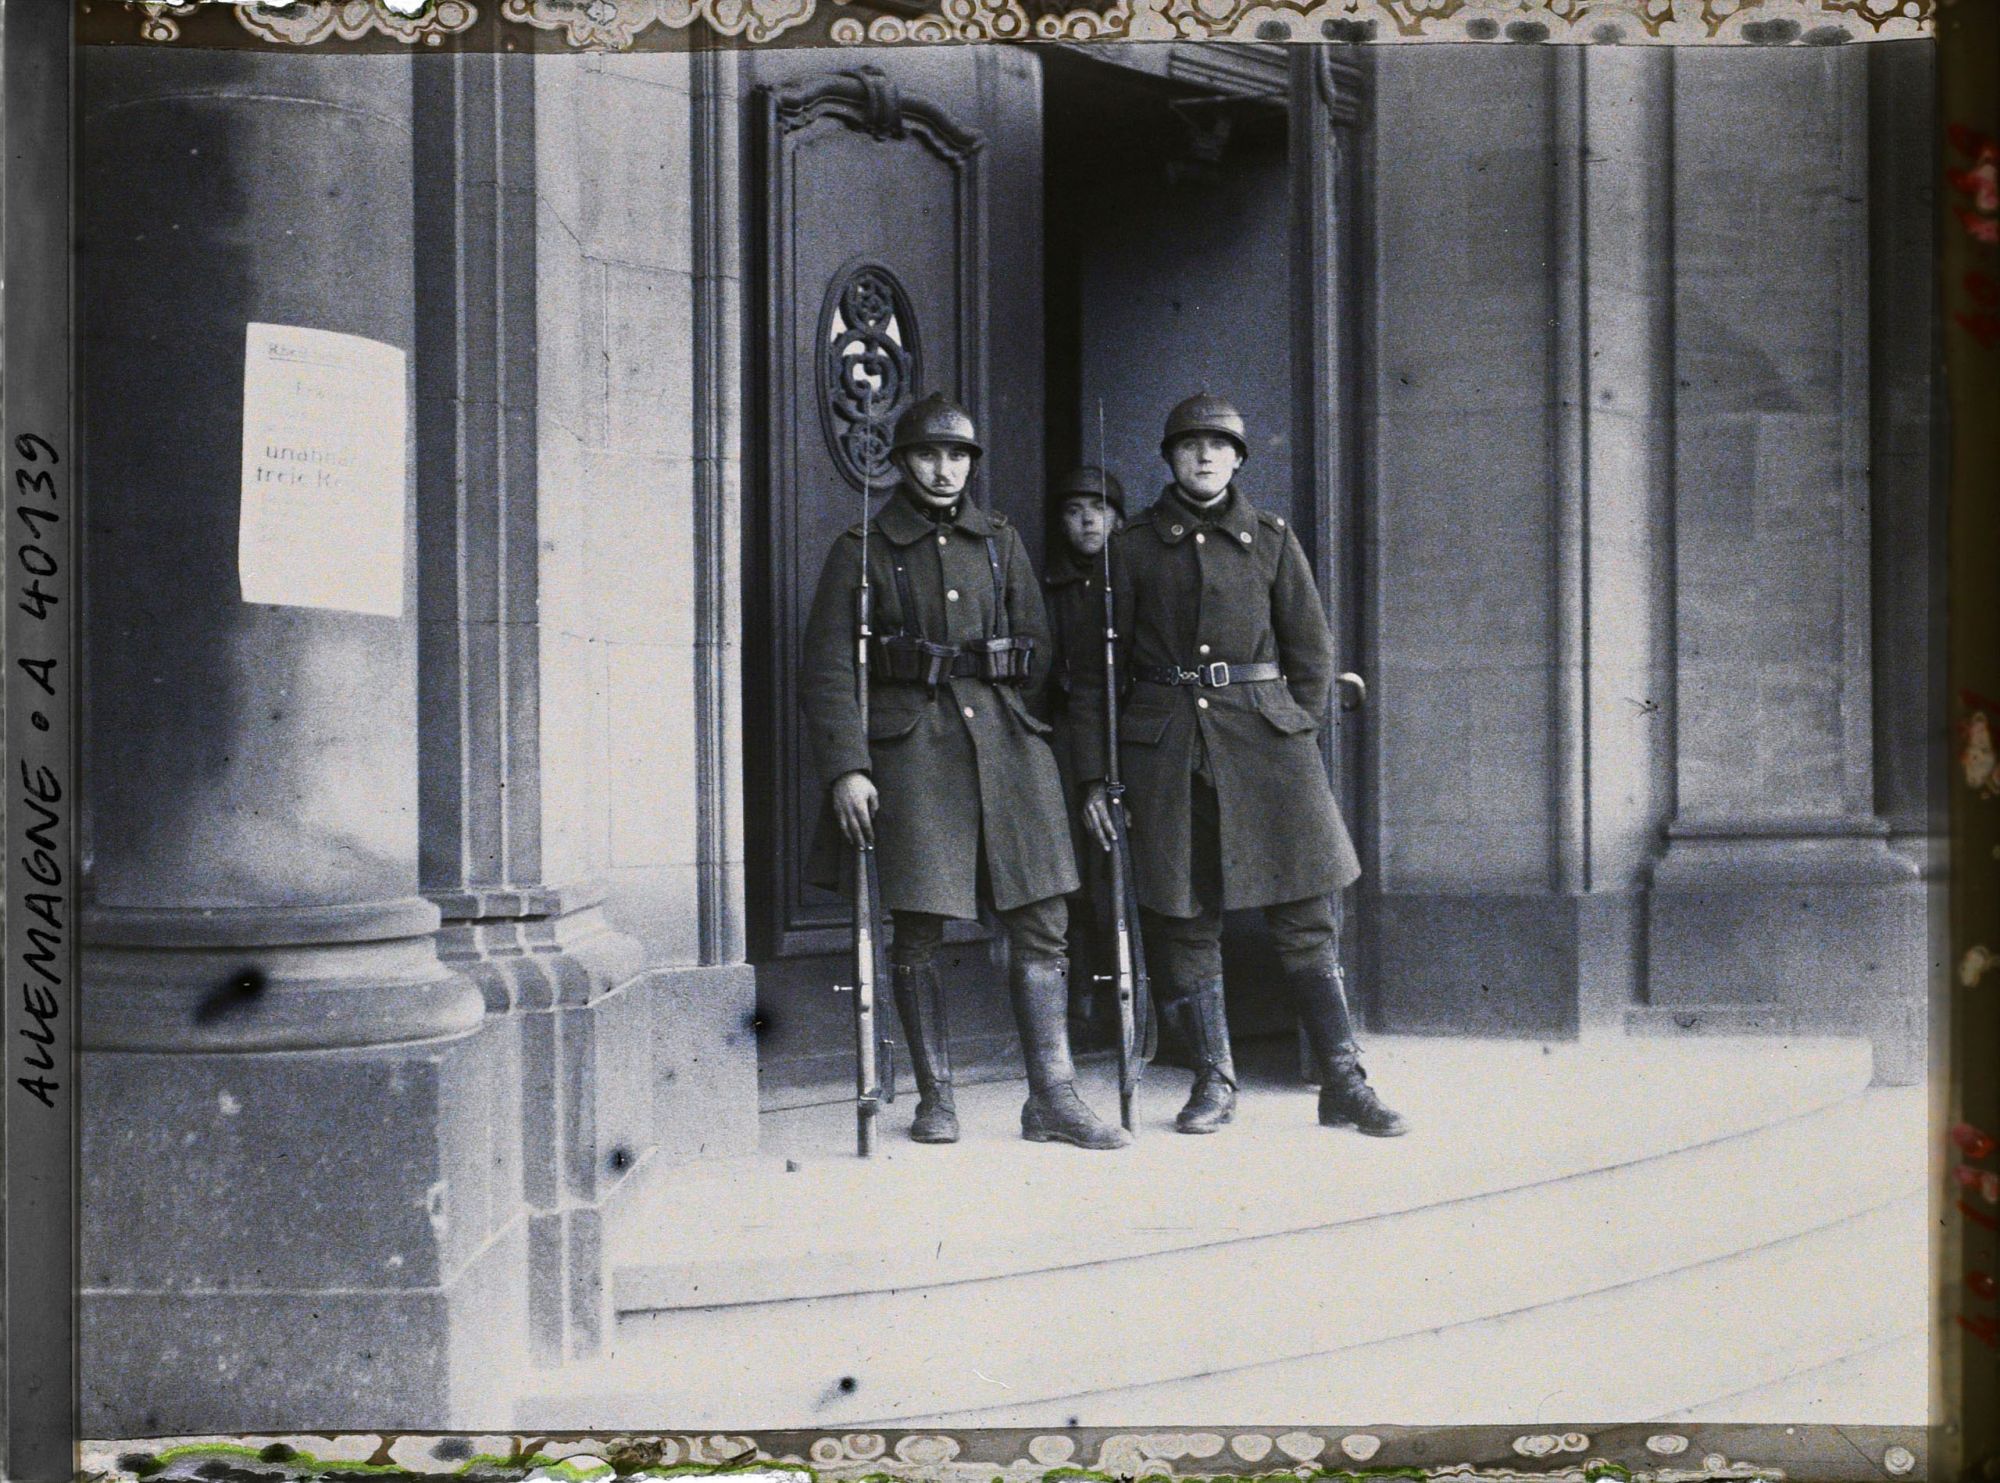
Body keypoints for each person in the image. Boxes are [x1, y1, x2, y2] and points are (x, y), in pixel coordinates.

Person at [801, 392, 1130, 1151]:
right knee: (918, 926)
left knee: (1044, 919)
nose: (944, 469)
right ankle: (935, 1097)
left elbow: (1038, 650)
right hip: (912, 747)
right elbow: (827, 671)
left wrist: (1020, 721)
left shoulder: (1000, 542)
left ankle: (1053, 1095)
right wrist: (848, 766)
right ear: (902, 461)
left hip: (1008, 745)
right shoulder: (864, 546)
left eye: (957, 456)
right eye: (928, 454)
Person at [1078, 393, 1408, 1138]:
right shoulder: (1128, 549)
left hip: (1267, 746)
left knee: (1306, 915)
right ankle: (1213, 1079)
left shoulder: (1270, 539)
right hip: (1167, 753)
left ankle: (1344, 1081)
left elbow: (1312, 652)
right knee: (1187, 916)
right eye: (1189, 444)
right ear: (1169, 458)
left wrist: (1294, 730)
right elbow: (1094, 676)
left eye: (1219, 445)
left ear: (1238, 459)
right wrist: (1100, 773)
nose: (1203, 456)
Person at [1039, 465, 1126, 1047]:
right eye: (1074, 510)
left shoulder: (1134, 573)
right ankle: (1079, 1009)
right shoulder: (1046, 584)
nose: (1088, 520)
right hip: (1065, 738)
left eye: (1099, 508)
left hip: (1132, 735)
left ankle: (1136, 1005)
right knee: (1073, 875)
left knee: (1127, 872)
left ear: (1119, 516)